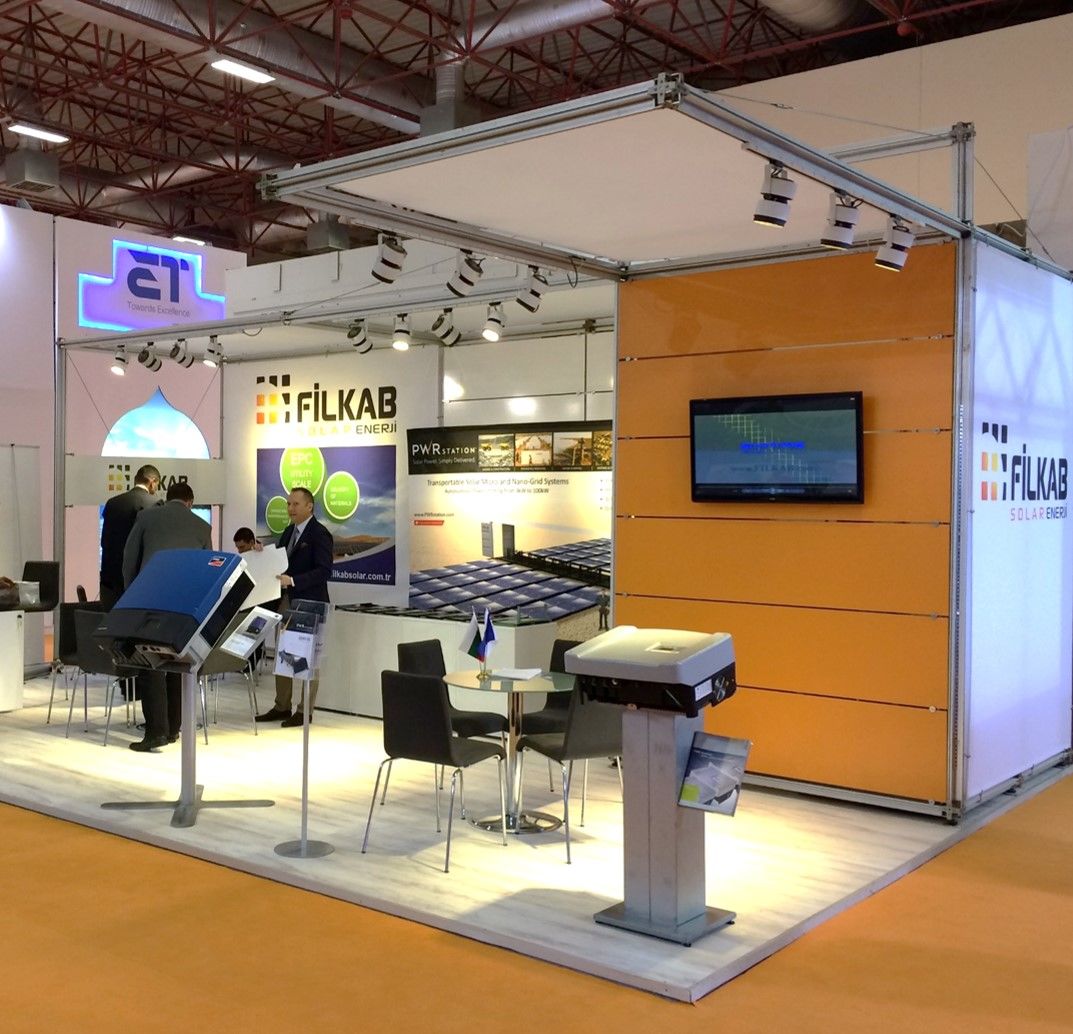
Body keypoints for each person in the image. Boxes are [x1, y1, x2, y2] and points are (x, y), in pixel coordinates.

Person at [122, 481, 212, 752]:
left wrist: (132, 594)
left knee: (150, 663)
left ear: (166, 496)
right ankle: (173, 728)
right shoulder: (202, 527)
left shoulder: (146, 517)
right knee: (176, 662)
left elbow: (129, 560)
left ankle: (156, 732)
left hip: (151, 600)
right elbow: (208, 569)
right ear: (190, 502)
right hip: (186, 608)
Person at [256, 487, 332, 728]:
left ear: (309, 506)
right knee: (284, 653)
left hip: (310, 602)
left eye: (295, 504)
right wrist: (262, 554)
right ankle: (282, 706)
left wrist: (294, 581)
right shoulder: (289, 532)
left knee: (309, 657)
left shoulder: (320, 533)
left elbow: (324, 571)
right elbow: (280, 563)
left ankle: (304, 711)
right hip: (287, 601)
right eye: (288, 504)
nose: (290, 508)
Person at [99, 464, 161, 609]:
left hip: (110, 580)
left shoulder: (112, 503)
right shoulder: (154, 504)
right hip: (140, 581)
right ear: (152, 482)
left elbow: (105, 541)